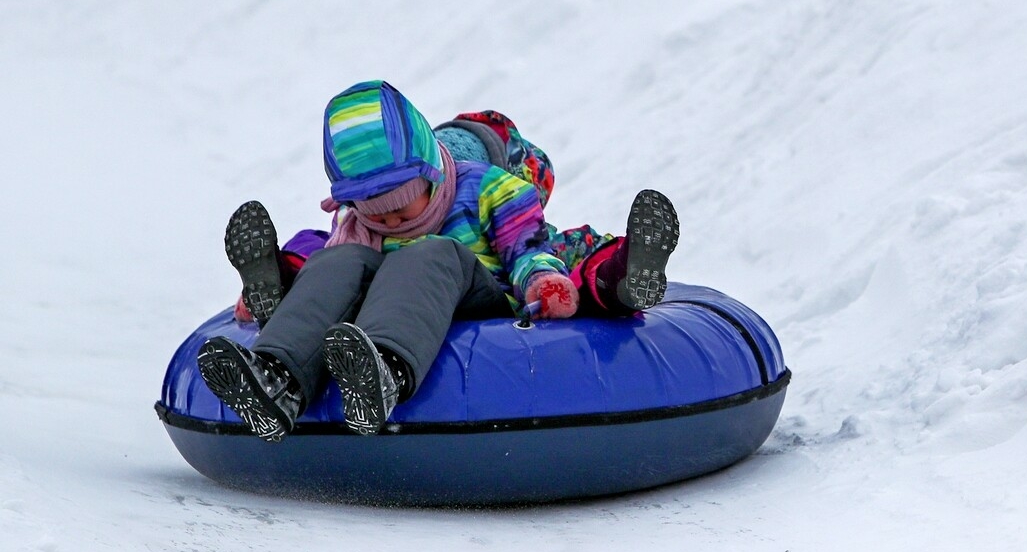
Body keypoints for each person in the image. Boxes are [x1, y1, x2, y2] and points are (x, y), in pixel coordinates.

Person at [198, 80, 679, 442]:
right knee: (339, 258)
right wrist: (283, 277)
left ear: (431, 172)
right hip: (382, 310)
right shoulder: (357, 223)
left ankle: (383, 374)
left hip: (477, 297)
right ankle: (275, 379)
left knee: (426, 252)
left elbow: (527, 246)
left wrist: (542, 284)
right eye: (375, 210)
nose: (391, 218)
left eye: (402, 203)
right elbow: (326, 255)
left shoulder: (487, 190)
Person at [227, 108, 665, 326]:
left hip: (434, 285)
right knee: (576, 250)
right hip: (467, 282)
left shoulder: (375, 213)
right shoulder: (493, 194)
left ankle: (621, 274)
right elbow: (528, 248)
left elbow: (528, 253)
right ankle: (613, 273)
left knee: (321, 248)